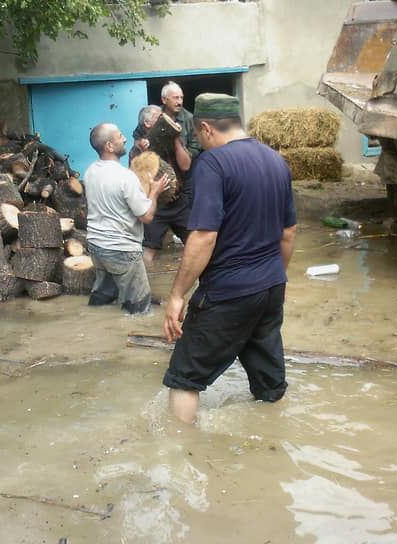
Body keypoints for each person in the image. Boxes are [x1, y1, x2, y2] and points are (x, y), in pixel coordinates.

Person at [161, 93, 298, 424]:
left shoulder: (212, 163)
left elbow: (205, 236)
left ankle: (179, 453)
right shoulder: (276, 161)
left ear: (206, 128)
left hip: (227, 292)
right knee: (270, 386)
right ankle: (275, 447)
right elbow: (289, 233)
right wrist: (271, 276)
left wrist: (178, 294)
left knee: (184, 378)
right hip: (270, 288)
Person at [83, 123, 169, 313]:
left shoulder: (90, 172)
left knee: (103, 299)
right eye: (120, 136)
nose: (124, 139)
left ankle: (94, 325)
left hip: (97, 246)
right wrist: (154, 192)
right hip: (121, 250)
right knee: (139, 308)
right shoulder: (125, 177)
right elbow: (146, 216)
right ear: (109, 146)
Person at [141, 82, 202, 266]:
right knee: (150, 247)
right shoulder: (153, 116)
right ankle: (146, 289)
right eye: (176, 97)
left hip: (182, 189)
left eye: (181, 97)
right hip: (157, 197)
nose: (180, 101)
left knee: (194, 241)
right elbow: (139, 142)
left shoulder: (189, 120)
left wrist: (177, 141)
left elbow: (193, 152)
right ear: (164, 100)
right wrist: (142, 144)